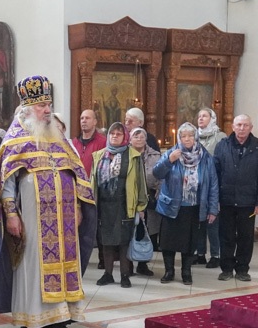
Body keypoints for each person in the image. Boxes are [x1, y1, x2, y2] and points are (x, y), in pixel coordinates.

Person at [0, 76, 96, 328]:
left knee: (65, 262)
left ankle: (60, 316)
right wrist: (11, 214)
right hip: (33, 218)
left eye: (49, 105)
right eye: (42, 105)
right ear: (27, 109)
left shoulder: (59, 137)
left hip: (65, 218)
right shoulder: (16, 139)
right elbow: (6, 181)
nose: (47, 110)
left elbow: (77, 173)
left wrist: (79, 207)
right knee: (33, 265)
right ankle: (33, 319)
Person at [154, 123, 218, 286]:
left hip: (194, 207)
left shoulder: (205, 157)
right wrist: (169, 160)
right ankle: (169, 271)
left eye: (190, 135)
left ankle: (186, 272)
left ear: (195, 137)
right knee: (168, 242)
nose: (187, 139)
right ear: (179, 138)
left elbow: (213, 184)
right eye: (183, 136)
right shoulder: (171, 153)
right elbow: (157, 173)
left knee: (190, 243)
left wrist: (212, 209)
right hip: (172, 206)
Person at [213, 115, 258, 282]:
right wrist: (214, 200)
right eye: (239, 125)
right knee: (226, 236)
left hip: (248, 201)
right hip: (226, 200)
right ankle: (226, 269)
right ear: (233, 127)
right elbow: (215, 174)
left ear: (251, 128)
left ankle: (243, 269)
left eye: (245, 125)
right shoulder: (222, 146)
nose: (242, 128)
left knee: (246, 237)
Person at [91, 122, 146, 288]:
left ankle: (124, 275)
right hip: (104, 205)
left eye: (118, 134)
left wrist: (141, 207)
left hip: (124, 204)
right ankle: (108, 274)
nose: (115, 136)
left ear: (125, 137)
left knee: (124, 242)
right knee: (106, 242)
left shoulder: (133, 156)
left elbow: (140, 182)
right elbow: (93, 180)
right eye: (112, 133)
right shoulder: (99, 155)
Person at [193, 107, 226, 268]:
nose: (200, 118)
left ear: (212, 118)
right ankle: (200, 254)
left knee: (213, 221)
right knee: (198, 221)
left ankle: (215, 255)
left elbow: (223, 161)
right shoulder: (193, 136)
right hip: (196, 184)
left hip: (214, 183)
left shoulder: (220, 137)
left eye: (204, 116)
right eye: (199, 116)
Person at [133, 126, 161, 276]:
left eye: (141, 136)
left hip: (150, 196)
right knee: (132, 230)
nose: (139, 139)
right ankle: (128, 262)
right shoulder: (125, 154)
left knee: (147, 230)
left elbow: (161, 175)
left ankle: (143, 264)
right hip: (131, 197)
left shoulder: (155, 155)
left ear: (146, 139)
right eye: (135, 136)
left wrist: (158, 191)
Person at [72, 108, 106, 177]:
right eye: (82, 118)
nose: (84, 121)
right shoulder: (74, 142)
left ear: (95, 122)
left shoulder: (103, 142)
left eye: (87, 118)